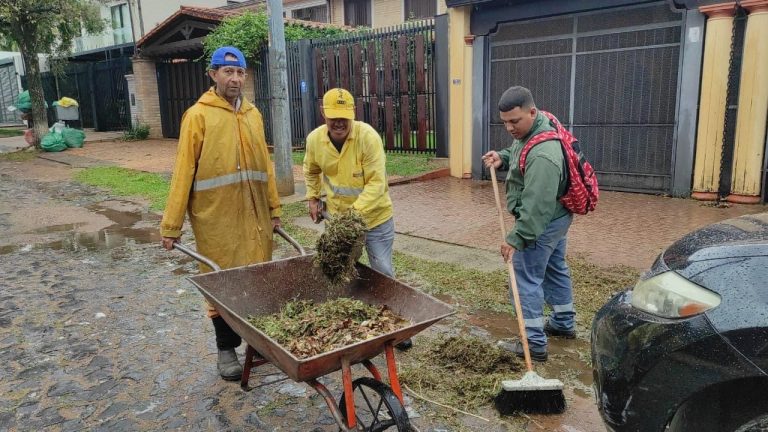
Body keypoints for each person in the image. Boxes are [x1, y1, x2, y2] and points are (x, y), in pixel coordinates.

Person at [160, 46, 281, 380]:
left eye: (240, 72)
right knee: (223, 283)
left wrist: (274, 209)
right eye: (228, 72)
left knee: (259, 279)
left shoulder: (254, 115)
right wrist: (172, 225)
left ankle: (258, 344)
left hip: (256, 217)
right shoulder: (198, 116)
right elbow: (183, 171)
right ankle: (226, 349)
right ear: (213, 75)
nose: (236, 79)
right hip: (217, 218)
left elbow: (265, 169)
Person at [303, 88, 411, 350]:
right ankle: (351, 320)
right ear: (323, 114)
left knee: (382, 270)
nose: (339, 123)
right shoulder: (315, 140)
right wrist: (313, 197)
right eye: (333, 117)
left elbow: (377, 184)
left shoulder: (368, 138)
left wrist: (352, 217)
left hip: (375, 219)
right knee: (342, 270)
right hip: (338, 220)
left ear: (353, 114)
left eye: (344, 117)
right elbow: (311, 169)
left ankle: (395, 326)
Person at [482, 86, 575, 362]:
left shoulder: (544, 155)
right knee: (555, 268)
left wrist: (517, 238)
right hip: (557, 219)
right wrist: (503, 157)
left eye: (515, 121)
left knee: (524, 279)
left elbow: (537, 207)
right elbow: (519, 151)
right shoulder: (537, 127)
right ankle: (563, 322)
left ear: (532, 112)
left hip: (542, 224)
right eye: (505, 122)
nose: (510, 128)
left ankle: (533, 343)